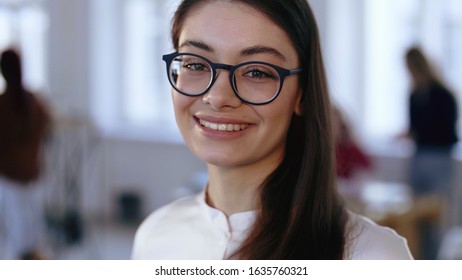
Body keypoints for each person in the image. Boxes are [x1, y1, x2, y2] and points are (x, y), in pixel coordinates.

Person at [132, 0, 413, 260]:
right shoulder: (155, 235)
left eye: (257, 72)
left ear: (302, 93)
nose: (218, 97)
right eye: (195, 64)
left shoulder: (372, 256)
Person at [404, 47, 458, 259]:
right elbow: (414, 128)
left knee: (434, 218)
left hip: (439, 158)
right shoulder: (414, 95)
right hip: (420, 157)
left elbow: (447, 131)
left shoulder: (443, 94)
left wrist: (422, 132)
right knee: (415, 216)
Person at [0, 48, 51, 259]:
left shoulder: (4, 105)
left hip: (10, 179)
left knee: (15, 236)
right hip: (31, 177)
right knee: (30, 234)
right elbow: (47, 131)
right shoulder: (34, 102)